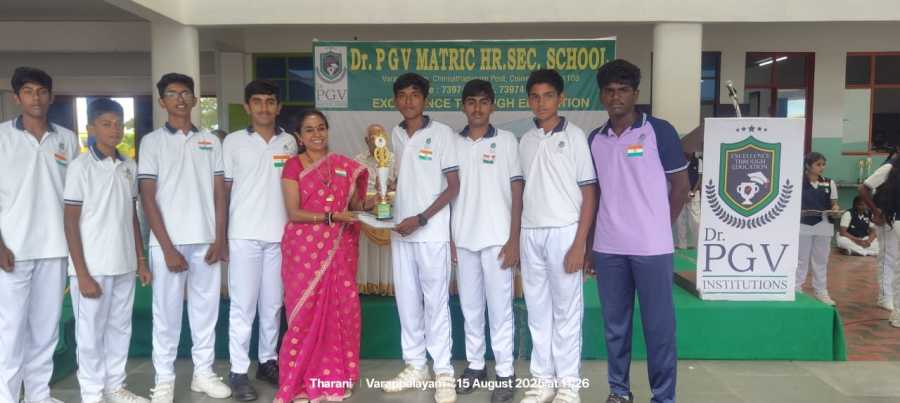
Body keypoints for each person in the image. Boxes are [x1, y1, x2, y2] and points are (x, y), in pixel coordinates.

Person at [588, 59, 689, 403]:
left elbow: (681, 187)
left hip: (651, 248)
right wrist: (590, 246)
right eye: (609, 91)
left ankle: (663, 397)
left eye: (623, 90)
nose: (616, 97)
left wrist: (659, 225)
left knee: (659, 329)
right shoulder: (595, 139)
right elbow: (595, 195)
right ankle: (619, 391)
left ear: (635, 93)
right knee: (615, 327)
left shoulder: (659, 131)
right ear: (601, 95)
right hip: (608, 248)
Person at [138, 73, 231, 402]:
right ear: (162, 101)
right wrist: (167, 248)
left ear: (194, 99)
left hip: (205, 240)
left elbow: (219, 194)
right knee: (166, 314)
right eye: (172, 94)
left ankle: (203, 373)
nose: (180, 99)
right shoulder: (151, 142)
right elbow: (148, 197)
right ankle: (164, 379)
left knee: (206, 311)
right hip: (168, 243)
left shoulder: (211, 141)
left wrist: (219, 239)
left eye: (185, 93)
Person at [275, 110, 375, 403]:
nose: (316, 134)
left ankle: (334, 379)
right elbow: (294, 212)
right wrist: (331, 217)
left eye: (321, 128)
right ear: (299, 136)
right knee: (303, 315)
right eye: (309, 130)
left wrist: (381, 195)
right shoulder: (293, 166)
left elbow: (355, 206)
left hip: (339, 251)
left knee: (341, 311)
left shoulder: (343, 165)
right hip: (304, 251)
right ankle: (299, 382)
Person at [0, 66, 80, 403]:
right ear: (16, 98)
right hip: (13, 249)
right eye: (28, 92)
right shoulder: (2, 137)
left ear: (51, 97)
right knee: (10, 329)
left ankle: (38, 395)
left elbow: (76, 196)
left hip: (55, 247)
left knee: (46, 329)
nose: (36, 98)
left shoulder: (67, 139)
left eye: (42, 91)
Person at [63, 98, 151, 403]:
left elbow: (131, 216)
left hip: (124, 263)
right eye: (106, 124)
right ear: (91, 128)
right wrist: (82, 273)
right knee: (89, 334)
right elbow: (70, 223)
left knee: (119, 329)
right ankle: (91, 393)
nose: (114, 129)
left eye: (118, 124)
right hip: (92, 266)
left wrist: (141, 260)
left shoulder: (129, 166)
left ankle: (115, 386)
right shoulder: (80, 167)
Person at [518, 69, 597, 403]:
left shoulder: (575, 136)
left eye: (548, 96)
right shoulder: (526, 140)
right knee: (537, 311)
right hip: (530, 232)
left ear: (560, 98)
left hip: (565, 232)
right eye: (535, 97)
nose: (541, 103)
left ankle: (568, 384)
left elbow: (589, 193)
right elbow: (523, 191)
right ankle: (542, 381)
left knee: (566, 312)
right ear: (529, 101)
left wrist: (580, 244)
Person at [380, 72, 460, 403]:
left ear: (425, 99)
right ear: (395, 100)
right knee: (407, 302)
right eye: (402, 95)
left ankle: (443, 372)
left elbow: (453, 187)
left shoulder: (442, 134)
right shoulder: (394, 135)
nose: (408, 101)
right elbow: (395, 181)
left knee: (435, 303)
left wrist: (422, 218)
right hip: (401, 232)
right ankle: (415, 365)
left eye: (414, 95)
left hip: (431, 233)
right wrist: (382, 198)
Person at [223, 80, 298, 400]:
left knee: (273, 304)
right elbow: (224, 191)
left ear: (278, 107)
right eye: (257, 101)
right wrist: (221, 236)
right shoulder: (233, 142)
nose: (264, 107)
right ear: (247, 106)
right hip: (244, 234)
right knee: (243, 306)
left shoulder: (290, 142)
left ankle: (268, 362)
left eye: (270, 101)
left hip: (280, 236)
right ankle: (238, 371)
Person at [451, 79, 521, 403]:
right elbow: (448, 194)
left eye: (483, 102)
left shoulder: (506, 141)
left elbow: (517, 192)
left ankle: (505, 372)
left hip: (498, 240)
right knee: (470, 308)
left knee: (500, 309)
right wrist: (451, 238)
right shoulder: (452, 143)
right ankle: (476, 366)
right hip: (464, 238)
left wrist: (514, 239)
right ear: (463, 106)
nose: (477, 108)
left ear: (493, 105)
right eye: (471, 102)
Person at [353, 123, 395, 295]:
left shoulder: (393, 159)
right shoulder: (358, 160)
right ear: (366, 140)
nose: (377, 140)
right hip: (366, 209)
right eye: (373, 137)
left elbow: (400, 184)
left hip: (387, 207)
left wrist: (390, 187)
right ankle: (366, 283)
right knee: (365, 250)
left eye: (381, 136)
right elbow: (353, 189)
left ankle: (387, 283)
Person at [859, 155, 900, 316]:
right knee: (888, 256)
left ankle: (893, 295)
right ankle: (885, 297)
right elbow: (864, 188)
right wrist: (876, 211)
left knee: (895, 258)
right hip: (886, 216)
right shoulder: (889, 167)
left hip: (896, 216)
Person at [797, 152, 839, 306]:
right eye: (818, 164)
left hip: (824, 225)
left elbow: (834, 203)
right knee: (801, 259)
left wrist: (835, 209)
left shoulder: (829, 183)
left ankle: (821, 291)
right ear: (808, 165)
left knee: (821, 260)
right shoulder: (798, 181)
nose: (822, 167)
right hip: (803, 225)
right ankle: (796, 288)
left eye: (823, 164)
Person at [674, 152, 702, 249]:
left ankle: (697, 244)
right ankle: (682, 245)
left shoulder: (698, 161)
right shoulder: (678, 161)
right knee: (680, 220)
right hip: (680, 193)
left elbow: (699, 178)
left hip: (694, 193)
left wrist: (692, 193)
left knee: (695, 221)